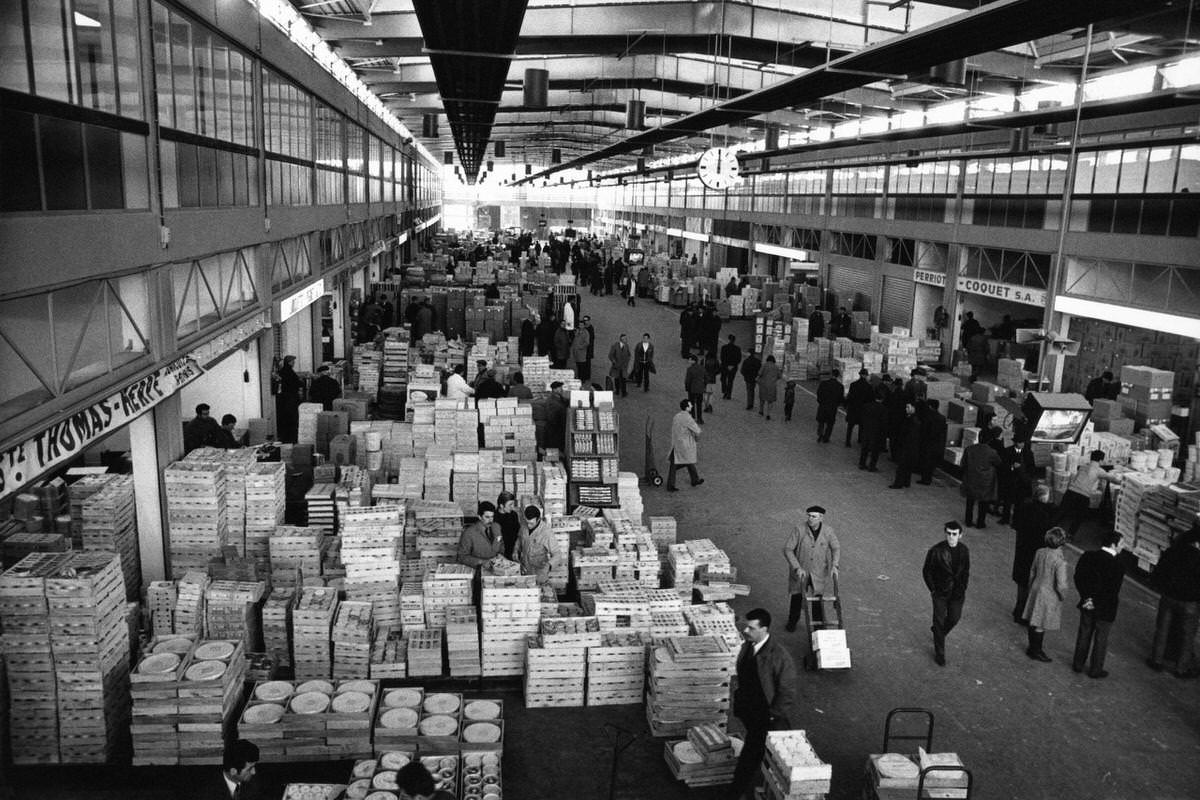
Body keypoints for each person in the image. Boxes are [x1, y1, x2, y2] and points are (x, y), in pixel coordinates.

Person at [730, 608, 798, 800]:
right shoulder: (748, 646)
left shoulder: (779, 657)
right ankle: (770, 775)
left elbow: (787, 691)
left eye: (751, 628)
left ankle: (736, 792)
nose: (745, 631)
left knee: (750, 754)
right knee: (763, 749)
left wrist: (772, 714)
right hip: (748, 709)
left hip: (764, 714)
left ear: (764, 629)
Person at [1147, 524, 1200, 678]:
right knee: (1187, 636)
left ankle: (1156, 660)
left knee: (1162, 628)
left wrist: (1163, 587)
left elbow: (1159, 572)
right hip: (1190, 603)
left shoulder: (1172, 552)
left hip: (1169, 597)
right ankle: (1181, 669)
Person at [1072, 529, 1125, 678]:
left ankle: (1078, 664)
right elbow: (1112, 590)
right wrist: (1098, 602)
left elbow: (1079, 578)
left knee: (1084, 633)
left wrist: (1087, 598)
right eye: (1121, 543)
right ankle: (1096, 669)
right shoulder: (1118, 565)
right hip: (1105, 608)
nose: (1123, 546)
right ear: (1114, 545)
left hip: (1087, 604)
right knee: (1101, 639)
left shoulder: (1088, 556)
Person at [783, 506, 841, 632]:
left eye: (814, 516)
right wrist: (797, 567)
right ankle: (792, 622)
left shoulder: (828, 531)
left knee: (817, 601)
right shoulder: (799, 530)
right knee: (797, 598)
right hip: (801, 572)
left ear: (821, 518)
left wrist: (835, 565)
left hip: (818, 572)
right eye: (809, 515)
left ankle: (819, 629)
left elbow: (836, 548)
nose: (810, 518)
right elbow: (788, 549)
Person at [923, 521, 970, 666]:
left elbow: (966, 571)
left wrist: (963, 587)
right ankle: (940, 653)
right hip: (941, 592)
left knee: (954, 618)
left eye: (954, 534)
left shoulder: (964, 550)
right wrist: (933, 589)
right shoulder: (936, 550)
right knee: (938, 620)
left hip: (957, 592)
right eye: (948, 533)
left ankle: (939, 633)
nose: (951, 537)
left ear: (960, 535)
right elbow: (926, 571)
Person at [1020, 526, 1070, 662]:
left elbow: (1032, 571)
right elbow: (1061, 585)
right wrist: (1063, 596)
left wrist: (1031, 586)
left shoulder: (1040, 552)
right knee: (1041, 624)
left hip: (1036, 588)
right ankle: (1036, 651)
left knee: (1033, 620)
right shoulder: (1060, 562)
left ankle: (1032, 648)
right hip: (1049, 594)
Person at [1011, 485, 1056, 624]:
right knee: (1033, 584)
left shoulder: (1024, 508)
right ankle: (1026, 615)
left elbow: (1015, 524)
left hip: (1022, 549)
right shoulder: (1046, 514)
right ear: (1044, 497)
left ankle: (1018, 609)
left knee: (1022, 583)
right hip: (1037, 554)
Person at [457, 501, 503, 603]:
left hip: (496, 573)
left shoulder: (497, 527)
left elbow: (501, 544)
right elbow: (461, 557)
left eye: (492, 517)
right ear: (479, 516)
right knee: (481, 603)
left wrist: (500, 554)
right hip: (478, 575)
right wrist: (481, 562)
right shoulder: (469, 533)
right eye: (487, 517)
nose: (490, 520)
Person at [1056, 450, 1108, 536]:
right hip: (1083, 496)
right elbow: (1110, 481)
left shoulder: (1082, 467)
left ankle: (1048, 527)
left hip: (1071, 492)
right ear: (1101, 461)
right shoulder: (1100, 471)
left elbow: (1075, 479)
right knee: (1079, 517)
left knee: (1061, 512)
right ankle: (1070, 535)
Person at [959, 429, 1002, 527]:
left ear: (979, 437)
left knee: (970, 502)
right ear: (990, 440)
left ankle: (968, 521)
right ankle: (980, 523)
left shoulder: (969, 449)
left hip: (971, 479)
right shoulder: (992, 452)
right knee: (983, 503)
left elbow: (963, 464)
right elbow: (999, 463)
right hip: (985, 481)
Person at [515, 504, 557, 587]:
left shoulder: (546, 532)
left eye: (531, 523)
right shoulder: (524, 525)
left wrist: (548, 565)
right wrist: (515, 550)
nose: (528, 526)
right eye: (527, 522)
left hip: (539, 573)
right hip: (524, 570)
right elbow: (519, 539)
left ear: (538, 520)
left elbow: (557, 553)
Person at [667, 399, 704, 492]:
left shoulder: (677, 416)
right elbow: (697, 430)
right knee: (682, 461)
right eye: (690, 405)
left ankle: (694, 479)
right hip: (685, 443)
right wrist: (696, 437)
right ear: (687, 407)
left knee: (685, 461)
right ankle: (671, 484)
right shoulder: (687, 418)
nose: (692, 406)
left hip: (676, 442)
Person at [996, 437, 1036, 523]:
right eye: (1019, 443)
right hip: (1010, 481)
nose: (1021, 445)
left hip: (1022, 483)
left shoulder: (1028, 453)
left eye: (1023, 443)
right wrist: (1012, 467)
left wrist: (1027, 477)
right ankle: (1005, 518)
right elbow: (1002, 466)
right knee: (1007, 501)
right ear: (1015, 443)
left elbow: (1032, 468)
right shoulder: (1007, 451)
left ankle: (1016, 521)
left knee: (1019, 503)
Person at [888, 402, 922, 489]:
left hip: (907, 447)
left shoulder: (912, 421)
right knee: (907, 466)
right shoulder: (913, 419)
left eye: (908, 407)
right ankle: (906, 482)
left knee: (902, 466)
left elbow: (908, 434)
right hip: (910, 447)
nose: (906, 409)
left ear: (913, 408)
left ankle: (898, 483)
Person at [916, 399, 948, 485]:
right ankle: (928, 478)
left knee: (925, 461)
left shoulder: (927, 417)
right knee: (931, 463)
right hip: (937, 444)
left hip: (927, 443)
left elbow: (924, 430)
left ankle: (925, 479)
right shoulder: (942, 418)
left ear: (930, 406)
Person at [858, 389, 887, 472]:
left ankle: (862, 463)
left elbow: (862, 418)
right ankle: (872, 466)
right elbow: (884, 423)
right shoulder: (883, 409)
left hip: (866, 429)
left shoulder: (866, 406)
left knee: (865, 448)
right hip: (877, 432)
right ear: (882, 399)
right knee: (875, 451)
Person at [274, 355, 302, 443]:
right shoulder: (289, 371)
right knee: (291, 418)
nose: (294, 363)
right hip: (290, 398)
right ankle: (291, 437)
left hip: (284, 399)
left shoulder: (282, 371)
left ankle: (286, 436)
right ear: (289, 362)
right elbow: (296, 382)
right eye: (293, 361)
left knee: (285, 418)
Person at [843, 368, 873, 447]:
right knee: (862, 426)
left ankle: (848, 441)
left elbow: (850, 396)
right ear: (866, 376)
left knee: (850, 426)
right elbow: (870, 399)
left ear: (859, 375)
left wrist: (845, 405)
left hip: (853, 408)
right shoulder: (869, 387)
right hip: (863, 409)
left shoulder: (853, 384)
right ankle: (860, 439)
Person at [815, 369, 844, 443]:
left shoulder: (824, 383)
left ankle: (820, 434)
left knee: (821, 421)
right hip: (832, 407)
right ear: (838, 376)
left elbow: (819, 393)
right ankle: (826, 437)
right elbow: (841, 398)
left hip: (823, 405)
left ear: (831, 375)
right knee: (830, 423)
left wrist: (820, 401)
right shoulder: (840, 386)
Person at [543, 382, 568, 454]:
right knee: (554, 449)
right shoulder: (551, 401)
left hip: (560, 429)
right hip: (554, 430)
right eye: (560, 388)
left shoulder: (560, 398)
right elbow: (551, 417)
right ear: (554, 389)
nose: (562, 390)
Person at [494, 491, 521, 560]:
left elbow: (518, 533)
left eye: (513, 504)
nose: (512, 507)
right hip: (498, 554)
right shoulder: (494, 518)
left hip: (513, 552)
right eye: (510, 505)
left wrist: (516, 549)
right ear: (501, 506)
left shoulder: (513, 515)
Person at [684, 354, 708, 425]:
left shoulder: (690, 369)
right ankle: (700, 418)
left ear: (693, 361)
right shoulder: (702, 368)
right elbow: (706, 378)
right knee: (699, 404)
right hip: (700, 389)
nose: (689, 361)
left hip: (692, 388)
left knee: (691, 403)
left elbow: (688, 380)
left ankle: (692, 417)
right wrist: (704, 385)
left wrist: (687, 387)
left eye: (690, 359)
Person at [756, 355, 781, 420]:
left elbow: (759, 373)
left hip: (763, 385)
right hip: (772, 386)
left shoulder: (764, 365)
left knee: (762, 398)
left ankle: (761, 411)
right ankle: (768, 414)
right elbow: (779, 376)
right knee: (770, 400)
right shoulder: (776, 367)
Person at [719, 335, 742, 400]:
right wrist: (733, 364)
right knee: (730, 380)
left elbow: (722, 357)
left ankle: (725, 391)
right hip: (733, 366)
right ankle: (729, 393)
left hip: (725, 366)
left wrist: (726, 364)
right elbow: (739, 358)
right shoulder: (737, 349)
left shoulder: (724, 347)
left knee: (723, 379)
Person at [702, 349, 720, 414]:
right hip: (712, 379)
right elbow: (718, 370)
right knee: (711, 393)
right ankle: (710, 405)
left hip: (705, 379)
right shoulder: (716, 361)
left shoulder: (704, 360)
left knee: (705, 393)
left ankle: (706, 406)